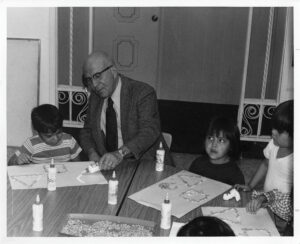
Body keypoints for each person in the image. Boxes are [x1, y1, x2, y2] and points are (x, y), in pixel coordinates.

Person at [80, 51, 172, 170]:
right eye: (89, 79)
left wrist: (119, 154)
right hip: (109, 167)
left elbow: (149, 131)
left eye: (97, 76)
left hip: (145, 165)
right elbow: (87, 131)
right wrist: (92, 153)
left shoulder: (142, 93)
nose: (94, 84)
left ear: (113, 71)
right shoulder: (95, 98)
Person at [235, 100, 293, 235]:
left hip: (283, 211)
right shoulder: (273, 144)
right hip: (267, 201)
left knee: (276, 233)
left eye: (280, 130)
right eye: (274, 127)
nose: (273, 132)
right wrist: (250, 185)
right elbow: (265, 164)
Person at [8, 104, 82, 165]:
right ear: (36, 132)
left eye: (59, 132)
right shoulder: (31, 144)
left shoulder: (69, 140)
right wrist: (17, 160)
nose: (56, 138)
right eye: (49, 136)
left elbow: (78, 165)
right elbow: (10, 163)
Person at [189, 116, 245, 185]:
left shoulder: (234, 174)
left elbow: (240, 194)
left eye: (221, 140)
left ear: (231, 146)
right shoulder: (197, 164)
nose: (214, 144)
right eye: (210, 138)